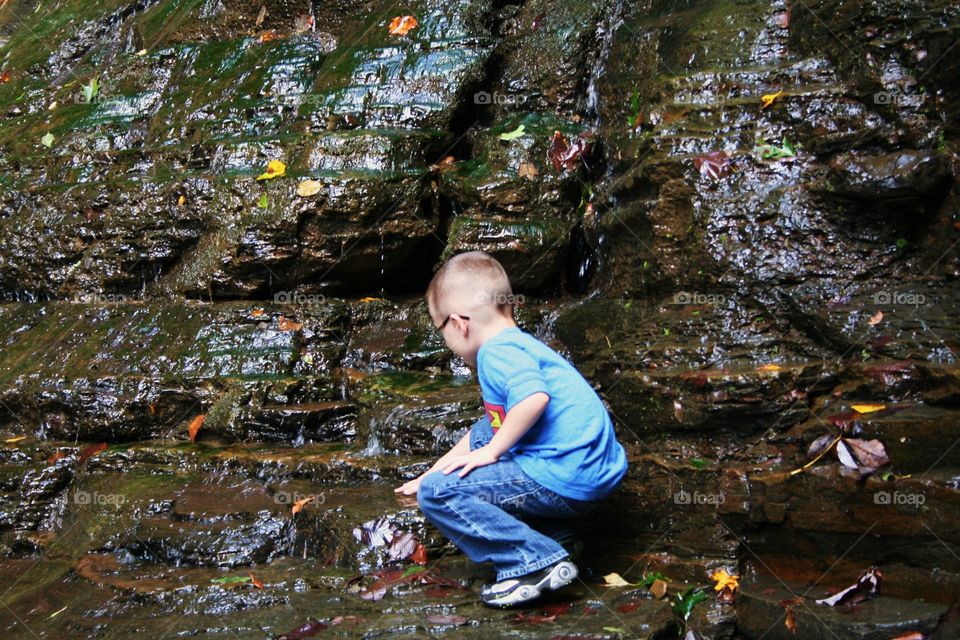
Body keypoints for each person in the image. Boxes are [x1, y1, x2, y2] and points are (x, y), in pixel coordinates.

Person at [394, 251, 628, 608]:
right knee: (466, 456)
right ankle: (560, 539)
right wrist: (429, 473)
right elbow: (485, 431)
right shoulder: (523, 345)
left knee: (439, 494)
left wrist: (486, 456)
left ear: (459, 324)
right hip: (590, 477)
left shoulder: (496, 352)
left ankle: (531, 561)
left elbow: (534, 399)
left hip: (563, 476)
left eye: (441, 331)